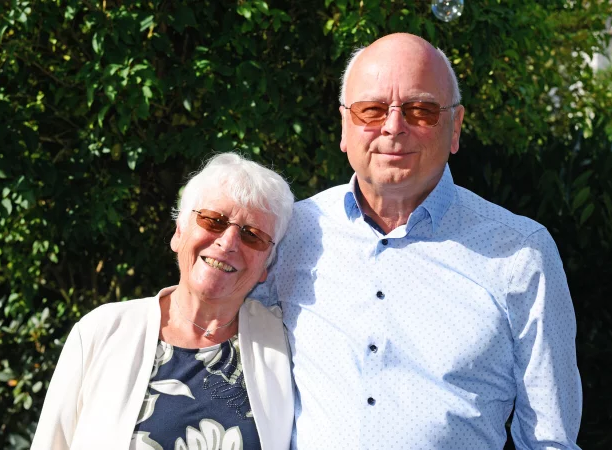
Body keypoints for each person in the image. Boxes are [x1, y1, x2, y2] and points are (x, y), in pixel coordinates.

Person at [250, 33, 582, 449]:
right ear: (344, 126)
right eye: (371, 109)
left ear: (455, 126)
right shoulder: (291, 231)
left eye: (421, 110)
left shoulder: (520, 253)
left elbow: (549, 438)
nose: (393, 127)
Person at [32, 153, 295, 449]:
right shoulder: (101, 331)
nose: (228, 242)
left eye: (253, 235)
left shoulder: (286, 346)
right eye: (214, 220)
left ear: (267, 267)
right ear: (179, 232)